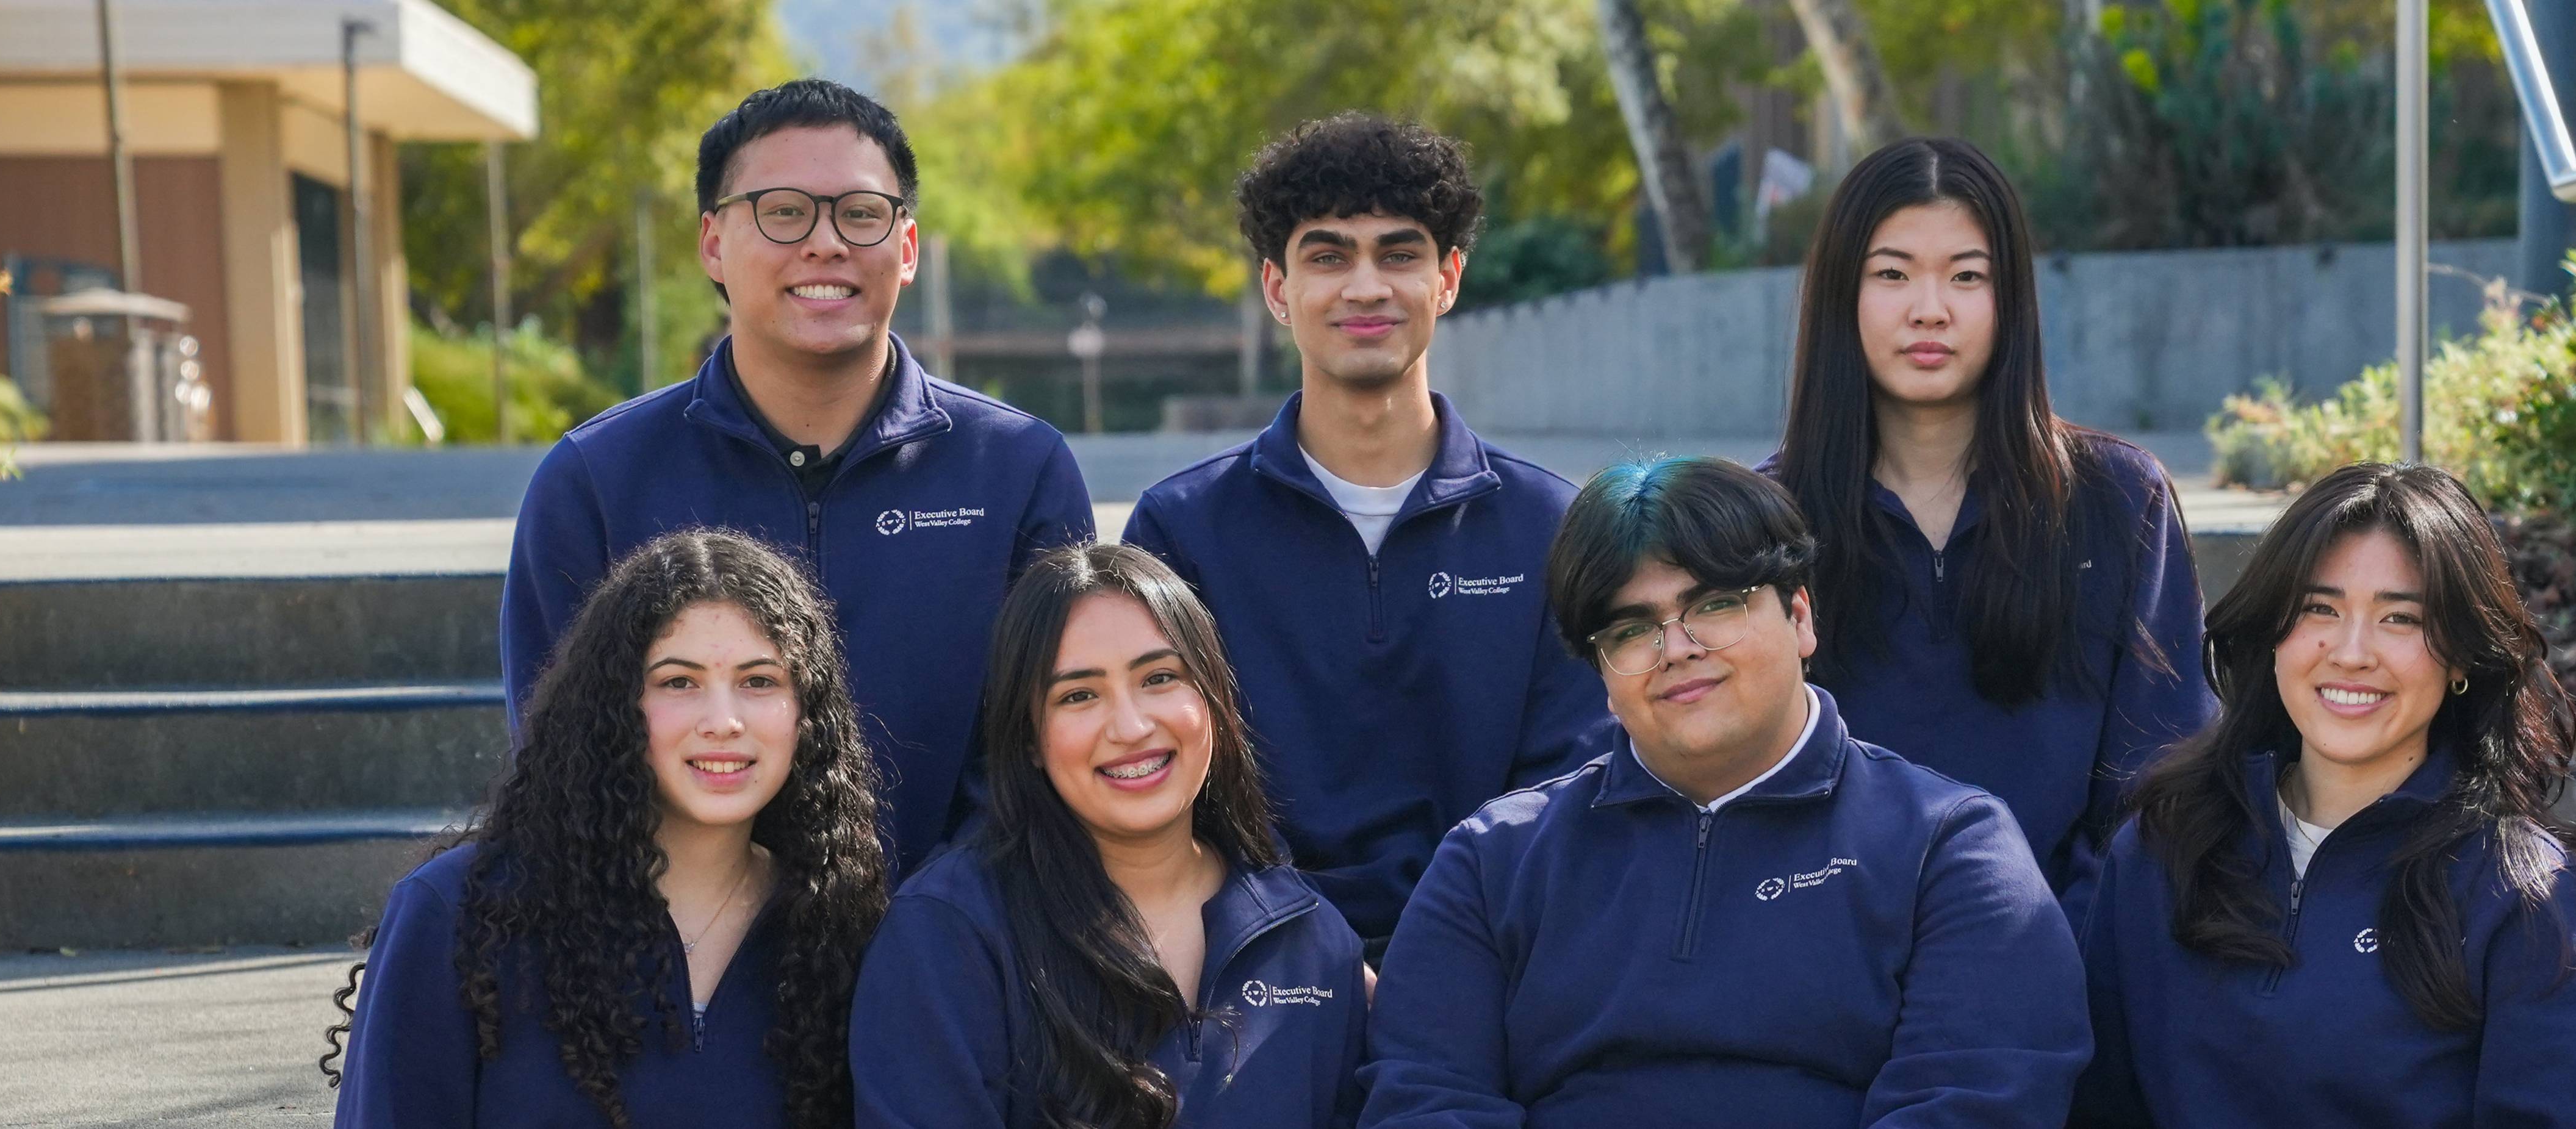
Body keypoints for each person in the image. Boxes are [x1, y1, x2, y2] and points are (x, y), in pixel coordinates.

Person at [1359, 456, 2089, 1129]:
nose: (1677, 648)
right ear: (1603, 677)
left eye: (1714, 605)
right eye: (1631, 629)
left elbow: (1972, 1103)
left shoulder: (1948, 848)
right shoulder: (1493, 863)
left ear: (1800, 616)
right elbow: (1427, 1099)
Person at [500, 78, 1095, 873]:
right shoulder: (596, 480)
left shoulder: (1017, 468)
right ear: (713, 242)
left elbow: (1050, 746)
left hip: (955, 955)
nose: (826, 243)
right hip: (681, 954)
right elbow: (564, 760)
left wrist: (935, 929)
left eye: (860, 213)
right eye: (783, 212)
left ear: (907, 247)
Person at [1121, 113, 1606, 950]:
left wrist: (1448, 965)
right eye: (1329, 256)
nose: (1366, 286)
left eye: (1400, 253)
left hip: (1497, 959)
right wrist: (1314, 959)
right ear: (1278, 288)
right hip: (1249, 966)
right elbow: (1160, 792)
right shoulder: (1180, 530)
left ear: (1448, 277)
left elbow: (1573, 789)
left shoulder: (1552, 525)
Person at [2072, 462, 2576, 1127]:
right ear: (2273, 634)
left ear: (2462, 655)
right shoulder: (2157, 852)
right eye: (2319, 608)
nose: (2350, 653)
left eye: (2399, 618)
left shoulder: (2529, 898)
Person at [1764, 136, 2211, 920]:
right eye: (1892, 274)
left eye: (1967, 276)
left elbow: (2162, 782)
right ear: (1843, 294)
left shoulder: (2115, 498)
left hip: (2067, 972)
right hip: (1838, 980)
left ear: (2013, 301)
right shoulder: (1765, 521)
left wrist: (2050, 945)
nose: (1928, 309)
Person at [325, 529, 891, 1128]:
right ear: (614, 704)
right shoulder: (456, 916)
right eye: (679, 682)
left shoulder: (839, 931)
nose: (723, 721)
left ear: (807, 714)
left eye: (760, 682)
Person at [851, 543, 1366, 1128]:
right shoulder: (947, 935)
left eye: (1160, 677)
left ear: (1214, 701)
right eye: (1079, 694)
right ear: (1028, 739)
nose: (1131, 726)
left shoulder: (1312, 939)